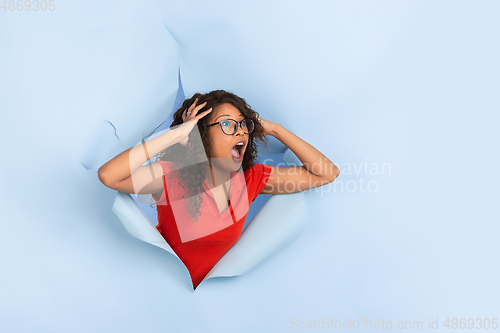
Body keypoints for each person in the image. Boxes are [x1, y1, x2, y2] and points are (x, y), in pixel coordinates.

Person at [98, 90, 340, 290]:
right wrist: (178, 134)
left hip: (213, 303)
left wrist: (276, 129)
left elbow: (326, 173)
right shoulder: (171, 175)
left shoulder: (252, 179)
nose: (240, 130)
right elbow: (109, 176)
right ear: (202, 135)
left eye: (243, 124)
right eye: (226, 124)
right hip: (157, 290)